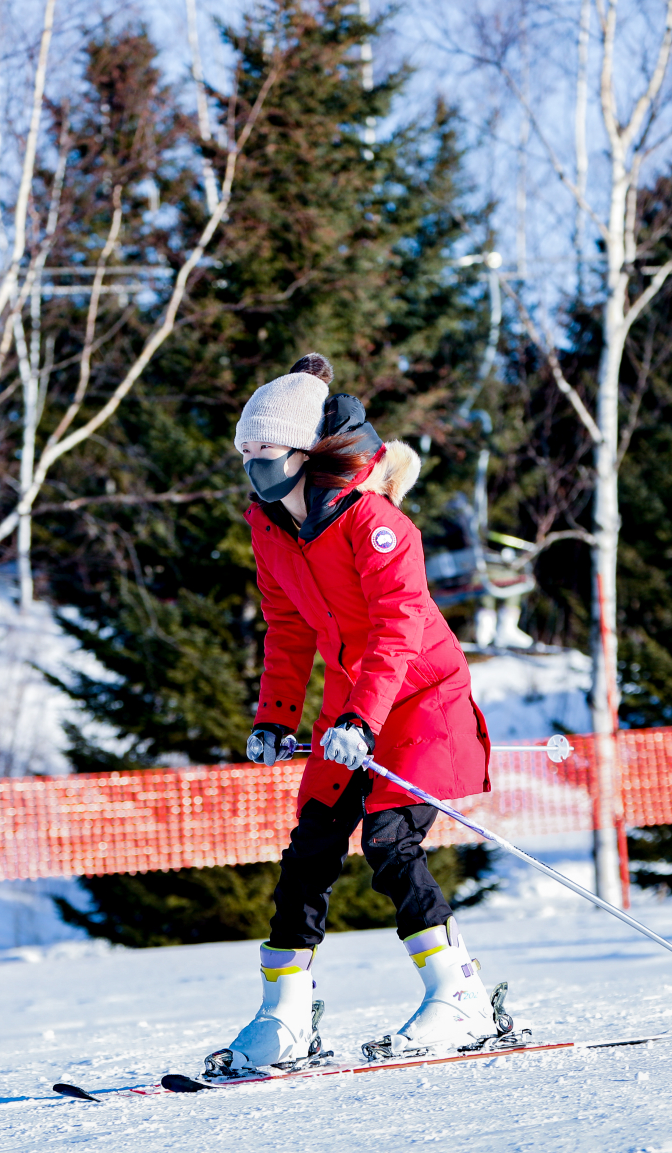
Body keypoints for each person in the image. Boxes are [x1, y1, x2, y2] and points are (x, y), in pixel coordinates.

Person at [214, 352, 503, 1076]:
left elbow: (398, 628)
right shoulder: (270, 526)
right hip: (355, 696)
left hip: (419, 695)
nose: (254, 463)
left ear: (306, 451)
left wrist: (364, 722)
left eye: (267, 449)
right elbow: (286, 627)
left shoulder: (375, 523)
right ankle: (284, 1012)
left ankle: (458, 995)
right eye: (246, 451)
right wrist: (277, 717)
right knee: (311, 843)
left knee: (387, 838)